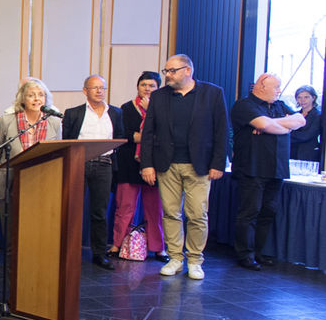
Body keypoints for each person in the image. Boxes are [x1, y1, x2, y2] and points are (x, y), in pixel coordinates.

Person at [140, 54, 229, 281]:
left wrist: (218, 163)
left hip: (199, 165)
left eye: (172, 71)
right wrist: (147, 164)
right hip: (166, 165)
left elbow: (222, 131)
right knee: (170, 213)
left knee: (197, 215)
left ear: (187, 70)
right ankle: (175, 258)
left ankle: (195, 259)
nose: (167, 75)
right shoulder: (159, 97)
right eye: (166, 71)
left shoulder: (212, 94)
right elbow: (148, 133)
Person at [231, 74, 304, 270]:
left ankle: (258, 252)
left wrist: (274, 125)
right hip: (252, 168)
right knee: (250, 212)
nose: (279, 90)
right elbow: (264, 125)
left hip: (277, 168)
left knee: (268, 212)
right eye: (276, 87)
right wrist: (280, 126)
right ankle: (245, 255)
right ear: (261, 87)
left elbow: (300, 120)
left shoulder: (279, 106)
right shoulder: (244, 105)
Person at [62, 75, 124, 269]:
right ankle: (68, 252)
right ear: (85, 90)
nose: (99, 91)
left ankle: (99, 254)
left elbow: (120, 137)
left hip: (104, 165)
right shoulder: (73, 113)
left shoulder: (115, 113)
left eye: (102, 88)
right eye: (94, 87)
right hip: (78, 164)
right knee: (72, 210)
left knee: (99, 212)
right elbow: (66, 140)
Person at [110, 71, 169, 262]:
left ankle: (159, 248)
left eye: (152, 85)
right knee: (124, 207)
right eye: (144, 85)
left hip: (154, 165)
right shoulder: (126, 108)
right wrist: (149, 136)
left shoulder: (165, 109)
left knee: (155, 210)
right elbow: (124, 136)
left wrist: (151, 113)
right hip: (129, 164)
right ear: (138, 87)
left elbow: (166, 136)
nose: (147, 88)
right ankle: (117, 244)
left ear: (159, 88)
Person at [0, 78, 62, 226]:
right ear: (22, 98)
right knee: (11, 231)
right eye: (31, 95)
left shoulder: (54, 123)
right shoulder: (7, 121)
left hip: (43, 182)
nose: (37, 99)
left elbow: (57, 152)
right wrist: (5, 171)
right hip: (9, 183)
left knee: (37, 228)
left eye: (41, 95)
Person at [290, 85, 321, 162]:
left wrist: (288, 133)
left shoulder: (318, 115)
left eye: (306, 97)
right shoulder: (294, 114)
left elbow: (307, 135)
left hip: (309, 154)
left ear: (313, 98)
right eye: (299, 97)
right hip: (292, 152)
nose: (302, 100)